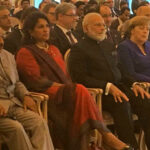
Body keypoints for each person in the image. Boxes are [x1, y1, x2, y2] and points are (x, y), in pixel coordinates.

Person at [16, 11, 131, 150]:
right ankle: (105, 135)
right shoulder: (25, 52)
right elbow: (35, 81)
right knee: (79, 89)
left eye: (47, 26)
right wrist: (64, 88)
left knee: (78, 91)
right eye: (40, 27)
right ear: (30, 31)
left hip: (65, 91)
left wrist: (67, 88)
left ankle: (97, 141)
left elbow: (66, 77)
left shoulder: (53, 49)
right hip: (45, 94)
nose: (46, 29)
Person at [68, 12, 150, 150]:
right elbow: (80, 77)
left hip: (119, 87)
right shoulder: (79, 49)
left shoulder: (108, 44)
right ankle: (130, 146)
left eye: (103, 24)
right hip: (100, 93)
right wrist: (108, 86)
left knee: (145, 101)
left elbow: (120, 69)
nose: (103, 27)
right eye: (98, 25)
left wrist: (133, 84)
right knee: (122, 103)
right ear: (86, 28)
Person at [0, 35, 54, 150]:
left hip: (14, 103)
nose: (1, 42)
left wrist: (25, 95)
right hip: (1, 111)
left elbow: (17, 82)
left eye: (1, 37)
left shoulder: (8, 56)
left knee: (39, 123)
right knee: (16, 128)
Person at [117, 16, 150, 83]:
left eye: (148, 29)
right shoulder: (124, 47)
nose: (145, 31)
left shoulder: (148, 44)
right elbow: (130, 74)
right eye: (141, 28)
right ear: (132, 30)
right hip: (140, 85)